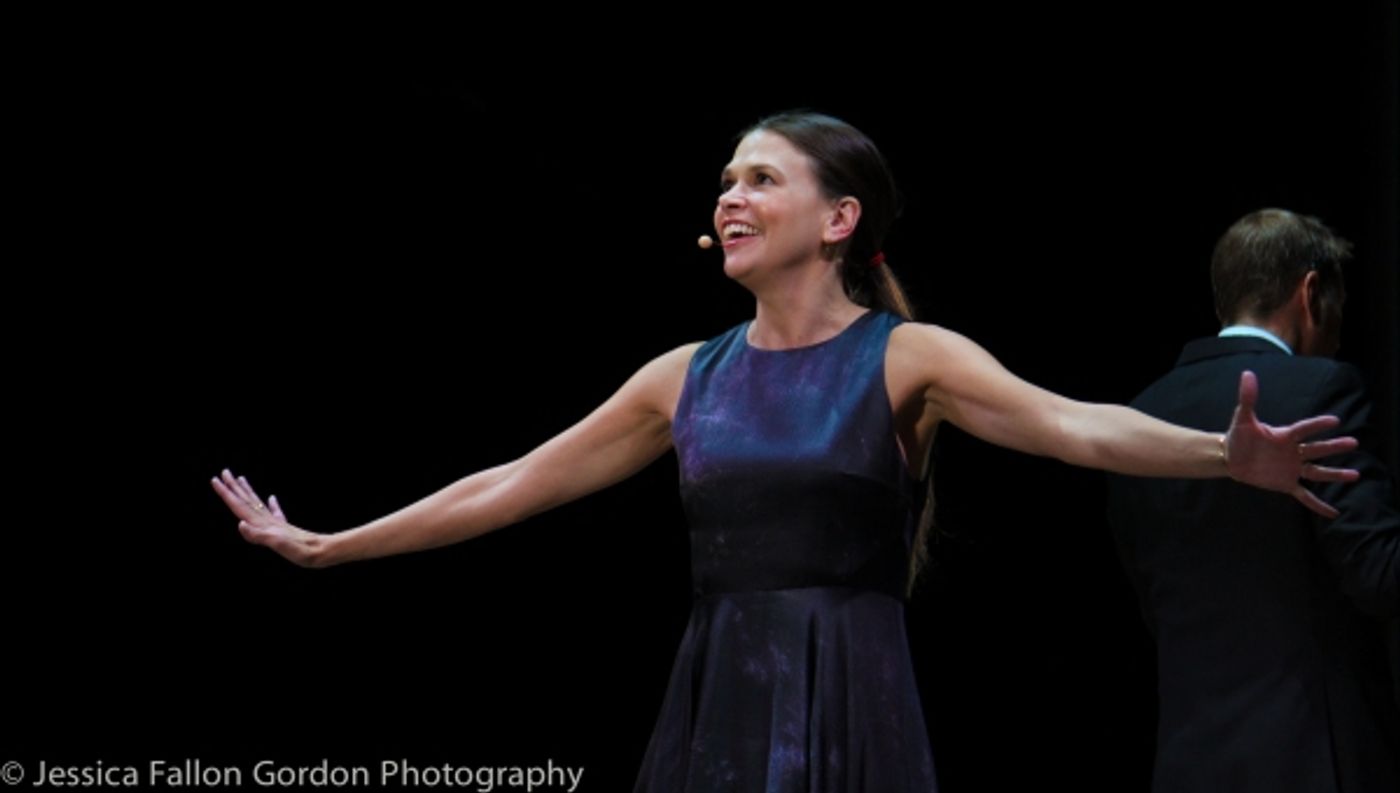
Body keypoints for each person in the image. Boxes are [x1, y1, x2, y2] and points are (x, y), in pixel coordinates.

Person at [213, 114, 1360, 791]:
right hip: (715, 691)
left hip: (850, 687)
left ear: (839, 218)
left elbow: (1070, 423)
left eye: (758, 177)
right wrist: (330, 544)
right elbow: (512, 480)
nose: (727, 197)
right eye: (722, 182)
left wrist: (1224, 453)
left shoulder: (908, 358)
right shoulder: (683, 374)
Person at [1105, 208, 1400, 793]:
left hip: (1190, 761)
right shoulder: (1321, 389)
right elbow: (1380, 575)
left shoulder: (1135, 417)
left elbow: (1149, 601)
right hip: (1316, 758)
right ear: (1311, 291)